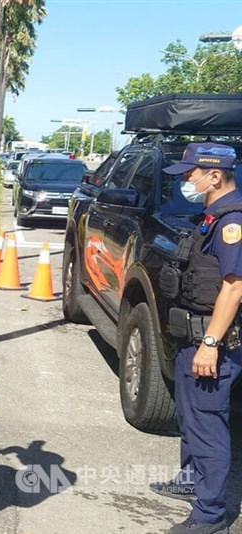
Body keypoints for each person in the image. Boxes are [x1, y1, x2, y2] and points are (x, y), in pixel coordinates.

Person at [150, 142, 242, 534]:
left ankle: (210, 515)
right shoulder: (212, 215)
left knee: (207, 423)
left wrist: (211, 343)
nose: (187, 180)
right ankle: (190, 480)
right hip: (194, 335)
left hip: (212, 342)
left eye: (191, 173)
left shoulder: (232, 221)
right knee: (190, 415)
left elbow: (235, 286)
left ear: (214, 176)